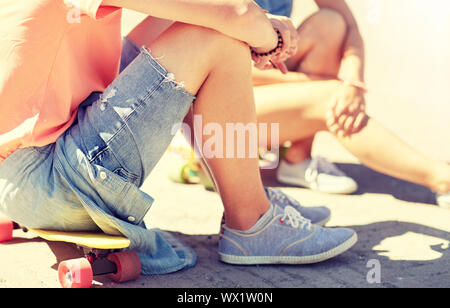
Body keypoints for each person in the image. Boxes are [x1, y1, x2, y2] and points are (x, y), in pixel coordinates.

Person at [0, 0, 358, 274]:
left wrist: (254, 23)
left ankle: (252, 196)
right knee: (217, 34)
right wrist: (269, 35)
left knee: (191, 18)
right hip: (51, 182)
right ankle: (251, 220)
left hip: (18, 170)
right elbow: (235, 12)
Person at [252, 0, 450, 205]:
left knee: (331, 22)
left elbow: (350, 24)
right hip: (226, 126)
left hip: (264, 86)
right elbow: (231, 71)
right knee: (329, 99)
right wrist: (320, 84)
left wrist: (354, 82)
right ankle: (443, 179)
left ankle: (297, 159)